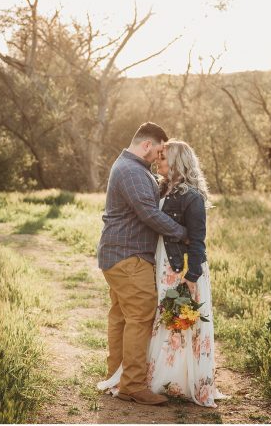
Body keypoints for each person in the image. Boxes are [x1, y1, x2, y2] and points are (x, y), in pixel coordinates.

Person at [98, 139, 225, 407]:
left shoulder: (192, 196)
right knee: (160, 323)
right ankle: (158, 378)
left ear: (178, 162)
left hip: (181, 271)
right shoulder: (161, 188)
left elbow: (198, 242)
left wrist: (191, 278)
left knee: (180, 323)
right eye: (159, 156)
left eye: (164, 158)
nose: (159, 161)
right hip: (162, 265)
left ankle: (179, 381)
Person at [97, 122, 188, 406]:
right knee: (140, 316)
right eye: (159, 150)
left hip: (119, 255)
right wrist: (182, 233)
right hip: (129, 256)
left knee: (122, 317)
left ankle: (117, 376)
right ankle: (133, 386)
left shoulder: (131, 168)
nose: (159, 157)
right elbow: (148, 213)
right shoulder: (132, 171)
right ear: (147, 145)